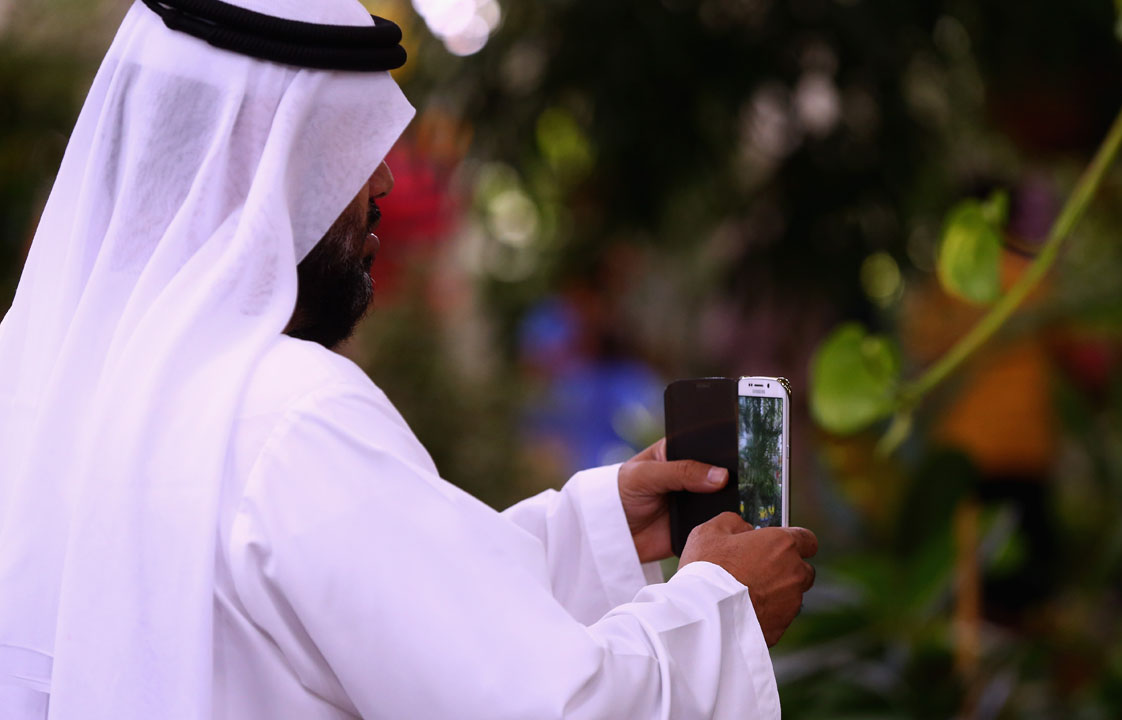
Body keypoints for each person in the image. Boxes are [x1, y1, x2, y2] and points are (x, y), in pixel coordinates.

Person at [0, 1, 817, 718]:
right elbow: (539, 706)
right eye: (353, 149)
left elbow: (350, 607)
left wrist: (598, 529)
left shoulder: (45, 387)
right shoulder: (289, 412)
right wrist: (723, 608)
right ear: (268, 164)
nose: (385, 177)